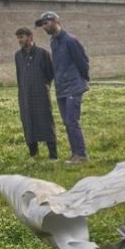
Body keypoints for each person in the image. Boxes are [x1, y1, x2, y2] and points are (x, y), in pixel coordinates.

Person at [36, 11, 90, 165]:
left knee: (73, 121)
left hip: (73, 87)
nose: (44, 27)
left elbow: (83, 61)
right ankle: (75, 154)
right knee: (67, 122)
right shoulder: (53, 42)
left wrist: (84, 80)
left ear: (56, 21)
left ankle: (81, 155)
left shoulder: (70, 40)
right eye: (42, 25)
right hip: (61, 89)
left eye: (46, 23)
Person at [14, 27, 57, 161]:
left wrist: (43, 87)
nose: (20, 40)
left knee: (46, 122)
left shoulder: (43, 53)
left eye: (22, 37)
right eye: (18, 38)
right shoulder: (18, 56)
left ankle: (53, 156)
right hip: (25, 95)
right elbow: (19, 75)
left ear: (30, 37)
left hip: (41, 95)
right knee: (28, 122)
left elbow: (50, 74)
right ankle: (33, 154)